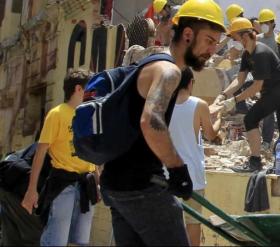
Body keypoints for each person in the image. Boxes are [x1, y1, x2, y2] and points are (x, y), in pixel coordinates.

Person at [99, 0, 226, 245]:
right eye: (209, 41)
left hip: (116, 186)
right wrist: (178, 168)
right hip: (142, 187)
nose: (213, 50)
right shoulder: (169, 71)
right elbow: (151, 121)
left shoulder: (150, 63)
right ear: (188, 34)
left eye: (216, 43)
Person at [21, 69, 99, 246]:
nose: (94, 93)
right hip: (63, 185)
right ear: (79, 89)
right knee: (56, 240)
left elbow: (93, 151)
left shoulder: (89, 114)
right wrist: (31, 189)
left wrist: (97, 178)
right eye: (90, 88)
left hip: (86, 185)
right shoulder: (57, 114)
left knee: (81, 241)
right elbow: (40, 153)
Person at [217, 18, 280, 174]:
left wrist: (234, 100)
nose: (234, 42)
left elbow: (257, 87)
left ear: (245, 36)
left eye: (235, 38)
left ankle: (255, 162)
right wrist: (223, 95)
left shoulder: (260, 53)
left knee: (250, 119)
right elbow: (239, 79)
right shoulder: (247, 55)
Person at [169, 67, 223, 246]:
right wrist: (219, 120)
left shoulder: (164, 104)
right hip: (191, 174)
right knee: (193, 221)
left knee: (169, 222)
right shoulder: (199, 104)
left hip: (167, 173)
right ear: (191, 83)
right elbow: (210, 134)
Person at [255, 8, 278, 152]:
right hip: (258, 79)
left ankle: (267, 140)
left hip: (272, 80)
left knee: (269, 111)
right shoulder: (257, 39)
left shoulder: (277, 40)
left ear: (272, 23)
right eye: (262, 22)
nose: (264, 24)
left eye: (266, 22)